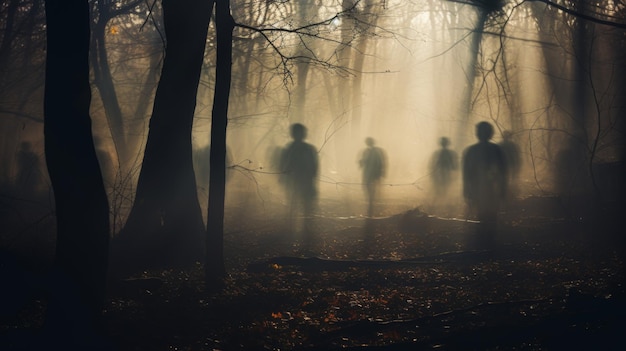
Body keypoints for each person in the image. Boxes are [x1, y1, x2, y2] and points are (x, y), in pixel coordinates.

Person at [462, 121, 508, 251]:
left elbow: (503, 172)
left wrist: (467, 190)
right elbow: (466, 173)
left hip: (488, 188)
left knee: (487, 213)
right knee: (486, 213)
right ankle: (486, 239)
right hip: (486, 188)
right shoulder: (495, 150)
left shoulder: (473, 150)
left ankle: (486, 239)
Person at [279, 123, 319, 242]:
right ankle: (293, 230)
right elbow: (284, 166)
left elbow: (314, 167)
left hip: (304, 182)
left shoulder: (296, 148)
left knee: (304, 206)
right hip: (295, 182)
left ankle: (304, 231)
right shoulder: (291, 149)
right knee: (294, 205)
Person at [359, 137, 386, 217]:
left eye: (369, 142)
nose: (368, 143)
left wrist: (381, 172)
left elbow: (380, 162)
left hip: (374, 173)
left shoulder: (377, 151)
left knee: (372, 187)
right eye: (367, 142)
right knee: (366, 186)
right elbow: (363, 161)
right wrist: (361, 162)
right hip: (367, 172)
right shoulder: (366, 151)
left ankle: (371, 201)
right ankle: (370, 199)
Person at [429, 137, 458, 211]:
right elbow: (453, 165)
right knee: (443, 187)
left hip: (444, 172)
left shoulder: (439, 153)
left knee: (444, 187)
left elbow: (453, 165)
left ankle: (440, 203)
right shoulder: (445, 153)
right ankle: (439, 203)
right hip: (441, 172)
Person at [498, 130, 521, 199]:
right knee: (510, 180)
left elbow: (517, 157)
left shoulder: (500, 145)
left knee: (505, 181)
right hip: (509, 166)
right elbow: (517, 157)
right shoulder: (513, 145)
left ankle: (507, 196)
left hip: (505, 166)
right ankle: (510, 196)